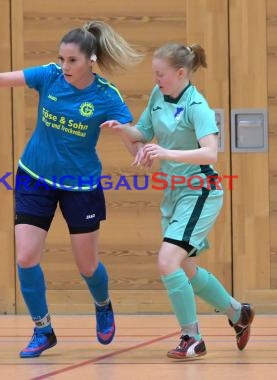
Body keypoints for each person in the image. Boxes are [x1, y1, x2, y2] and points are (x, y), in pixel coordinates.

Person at [0, 20, 143, 358]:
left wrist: (135, 145)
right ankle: (42, 330)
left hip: (81, 185)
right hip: (34, 175)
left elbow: (133, 137)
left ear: (91, 60)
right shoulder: (50, 76)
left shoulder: (106, 95)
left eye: (72, 60)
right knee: (26, 256)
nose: (65, 66)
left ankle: (102, 304)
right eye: (62, 59)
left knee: (87, 264)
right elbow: (2, 79)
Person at [101, 42, 254, 360]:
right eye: (155, 74)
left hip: (200, 190)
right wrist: (122, 132)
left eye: (161, 74)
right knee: (186, 269)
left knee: (167, 261)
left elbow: (211, 152)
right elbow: (142, 133)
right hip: (173, 192)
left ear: (180, 73)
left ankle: (192, 337)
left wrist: (166, 152)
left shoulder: (197, 105)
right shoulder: (158, 96)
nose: (156, 79)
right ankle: (238, 313)